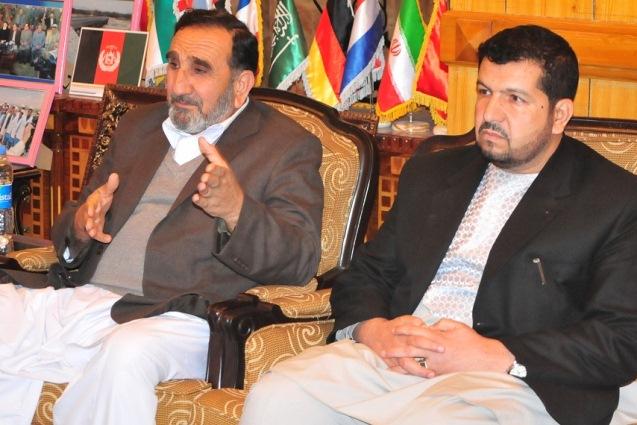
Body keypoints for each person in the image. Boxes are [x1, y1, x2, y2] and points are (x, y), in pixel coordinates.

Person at [240, 25, 637, 425]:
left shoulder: (614, 200)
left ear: (559, 114)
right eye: (485, 91)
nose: (490, 113)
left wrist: (495, 354)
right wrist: (373, 330)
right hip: (398, 356)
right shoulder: (435, 171)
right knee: (276, 398)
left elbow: (621, 337)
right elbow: (368, 273)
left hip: (510, 378)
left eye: (515, 98)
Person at [0, 8, 323, 425]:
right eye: (173, 64)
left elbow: (300, 259)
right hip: (86, 300)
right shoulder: (138, 126)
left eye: (199, 70)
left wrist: (237, 211)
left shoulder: (286, 145)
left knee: (127, 353)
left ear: (241, 84)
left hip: (179, 316)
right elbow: (74, 221)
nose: (178, 84)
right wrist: (81, 226)